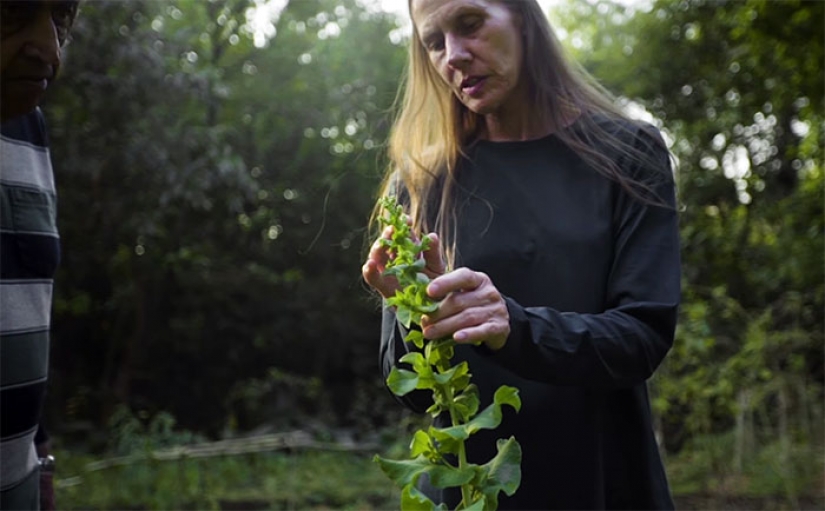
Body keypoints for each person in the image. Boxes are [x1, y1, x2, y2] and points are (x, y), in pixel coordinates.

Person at [362, 0, 681, 509]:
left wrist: (513, 327)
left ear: (523, 18)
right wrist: (411, 312)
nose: (453, 55)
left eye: (470, 24)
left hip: (599, 483)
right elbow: (415, 392)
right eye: (434, 42)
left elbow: (642, 339)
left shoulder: (628, 153)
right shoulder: (421, 183)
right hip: (466, 492)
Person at [1, 1, 80, 509]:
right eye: (14, 13)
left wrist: (39, 457)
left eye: (61, 18)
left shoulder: (27, 125)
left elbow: (21, 312)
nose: (50, 50)